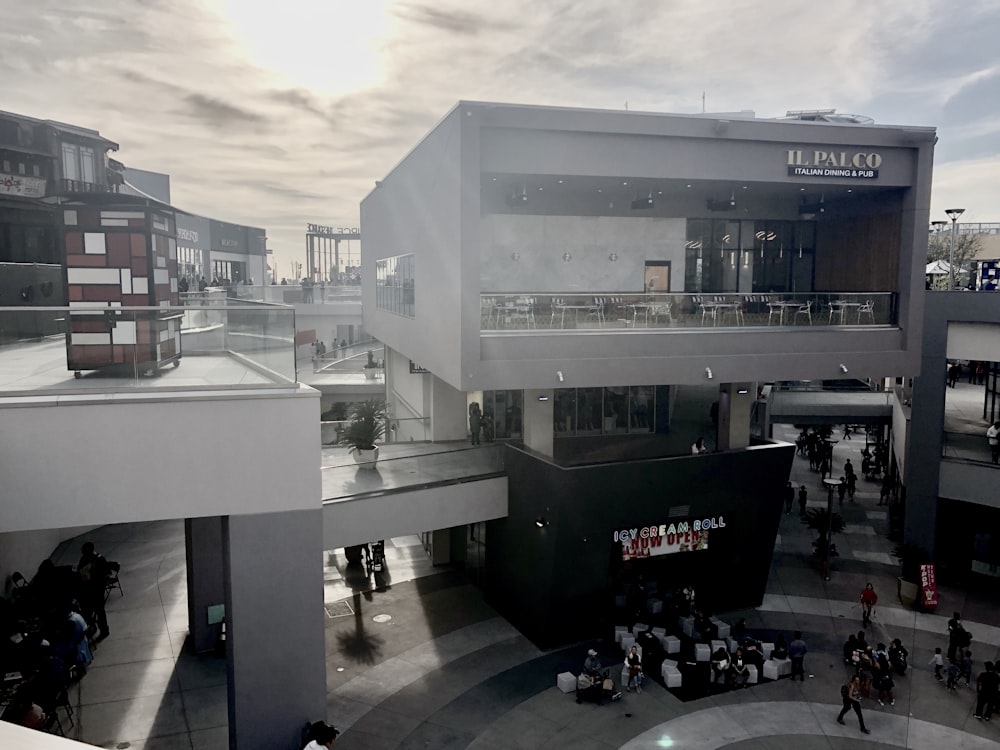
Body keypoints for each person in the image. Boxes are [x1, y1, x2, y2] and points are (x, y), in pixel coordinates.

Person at [77, 542, 111, 641]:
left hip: (97, 591)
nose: (83, 554)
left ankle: (104, 631)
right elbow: (79, 569)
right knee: (87, 612)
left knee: (100, 612)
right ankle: (92, 627)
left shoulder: (100, 560)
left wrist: (92, 576)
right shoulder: (84, 559)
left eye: (85, 552)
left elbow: (104, 576)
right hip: (87, 591)